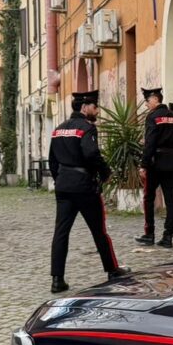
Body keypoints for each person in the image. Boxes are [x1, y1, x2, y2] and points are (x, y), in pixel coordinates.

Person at [49, 91, 129, 294]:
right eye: (95, 107)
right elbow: (92, 153)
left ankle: (57, 279)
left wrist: (60, 179)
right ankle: (112, 270)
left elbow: (52, 161)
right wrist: (105, 173)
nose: (97, 111)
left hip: (63, 186)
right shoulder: (87, 128)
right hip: (84, 186)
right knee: (99, 231)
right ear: (84, 107)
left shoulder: (58, 129)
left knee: (61, 232)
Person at [136, 87, 173, 249]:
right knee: (170, 199)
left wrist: (144, 164)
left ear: (155, 99)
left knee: (149, 197)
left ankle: (149, 234)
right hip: (172, 163)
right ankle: (168, 236)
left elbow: (150, 143)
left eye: (147, 101)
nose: (146, 104)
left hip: (155, 163)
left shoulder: (153, 117)